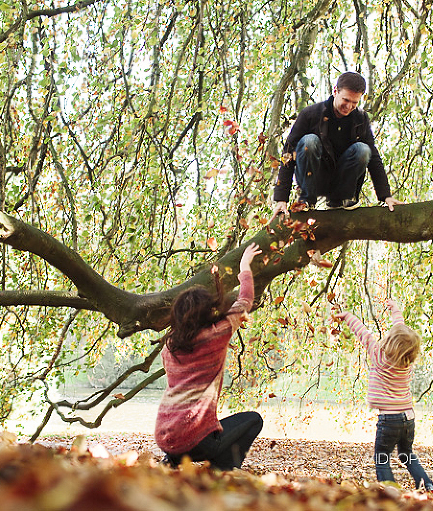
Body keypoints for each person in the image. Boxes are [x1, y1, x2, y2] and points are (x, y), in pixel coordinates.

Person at [155, 243, 264, 470]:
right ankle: (223, 468)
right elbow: (245, 301)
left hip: (165, 438)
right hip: (196, 442)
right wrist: (244, 265)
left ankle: (173, 459)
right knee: (253, 420)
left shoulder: (169, 345)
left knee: (213, 429)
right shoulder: (216, 335)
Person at [334, 298, 433, 491]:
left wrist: (347, 316)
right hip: (409, 417)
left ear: (389, 340)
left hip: (389, 419)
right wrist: (395, 309)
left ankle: (390, 492)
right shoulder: (407, 361)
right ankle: (427, 484)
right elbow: (400, 328)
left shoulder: (378, 355)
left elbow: (362, 332)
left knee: (381, 458)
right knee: (406, 455)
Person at [272, 71, 403, 216]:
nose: (349, 106)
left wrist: (386, 196)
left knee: (364, 150)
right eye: (346, 100)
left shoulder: (360, 119)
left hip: (342, 180)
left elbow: (374, 158)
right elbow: (288, 154)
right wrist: (281, 199)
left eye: (355, 102)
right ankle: (307, 200)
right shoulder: (310, 114)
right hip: (315, 177)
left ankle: (340, 200)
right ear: (335, 91)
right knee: (310, 141)